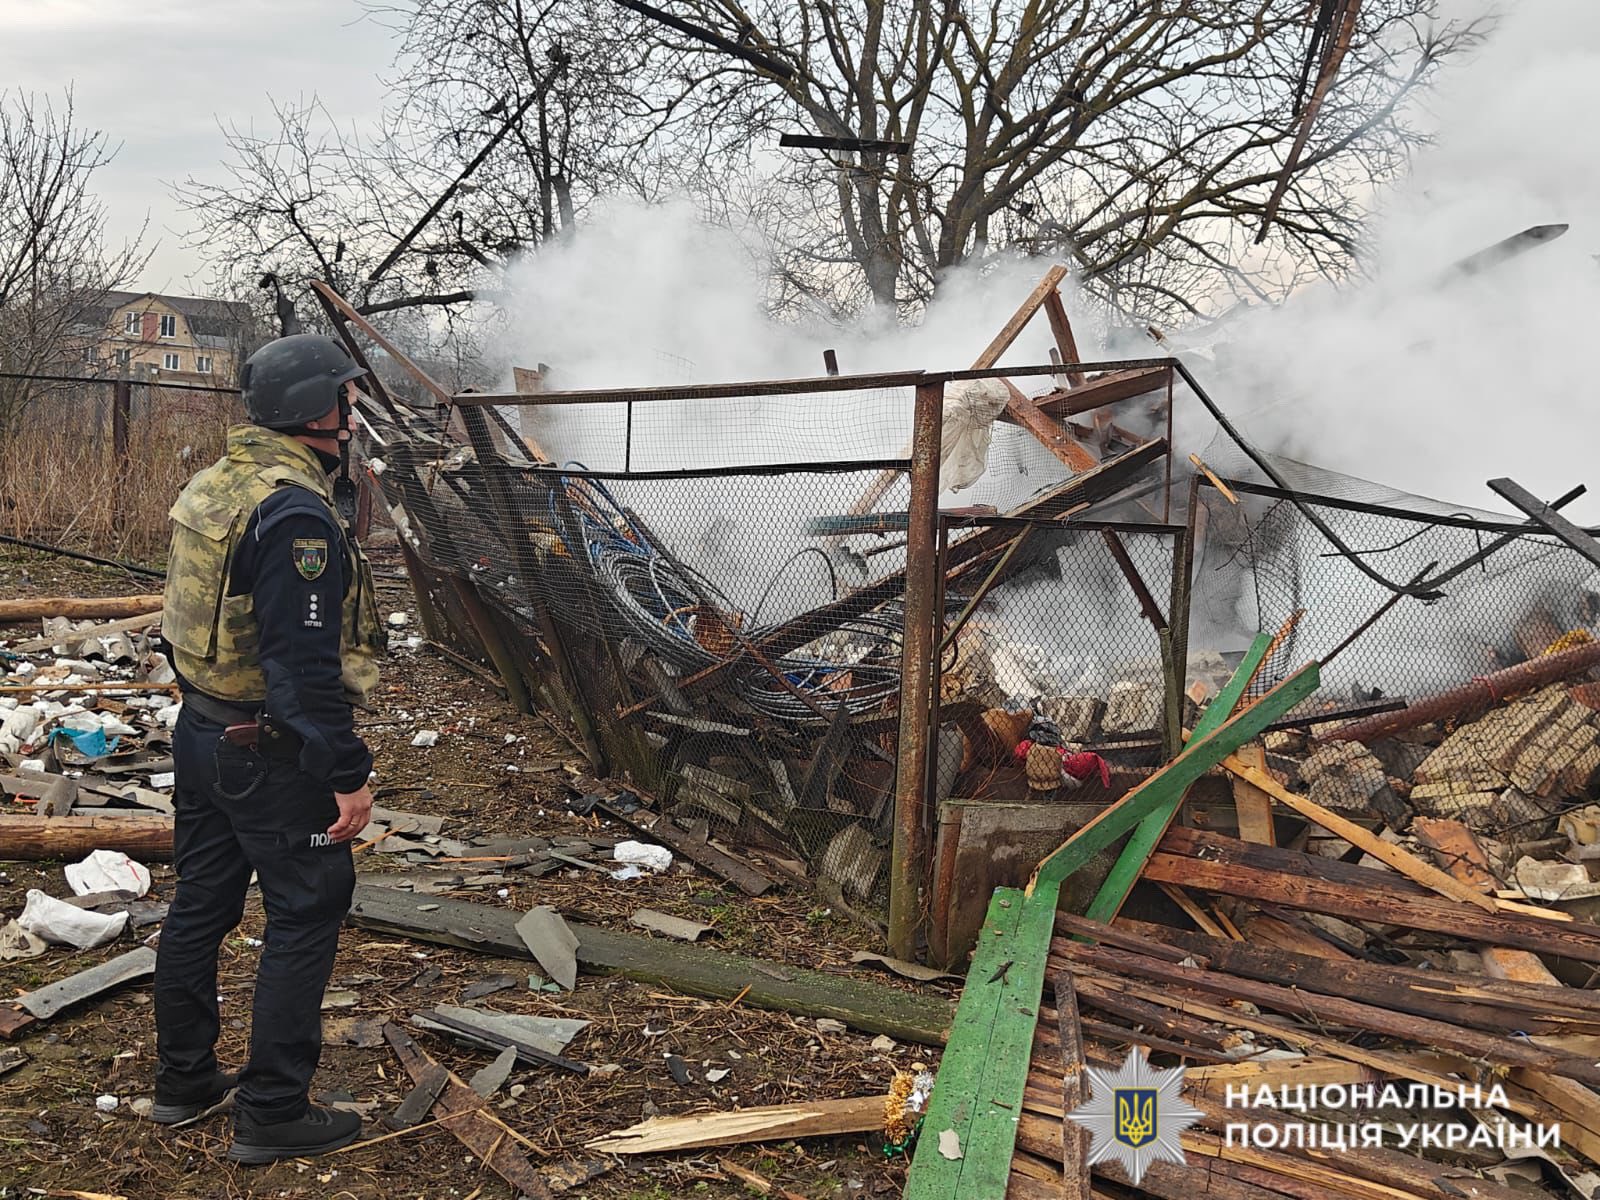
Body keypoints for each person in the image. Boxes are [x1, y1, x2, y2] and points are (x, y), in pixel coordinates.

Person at [152, 333, 387, 1164]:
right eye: (346, 395)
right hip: (266, 751)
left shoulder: (218, 483)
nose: (354, 409)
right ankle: (274, 1111)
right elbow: (301, 668)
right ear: (314, 409)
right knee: (306, 911)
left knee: (203, 905)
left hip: (203, 732)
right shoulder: (293, 511)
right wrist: (347, 775)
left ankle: (181, 1083)